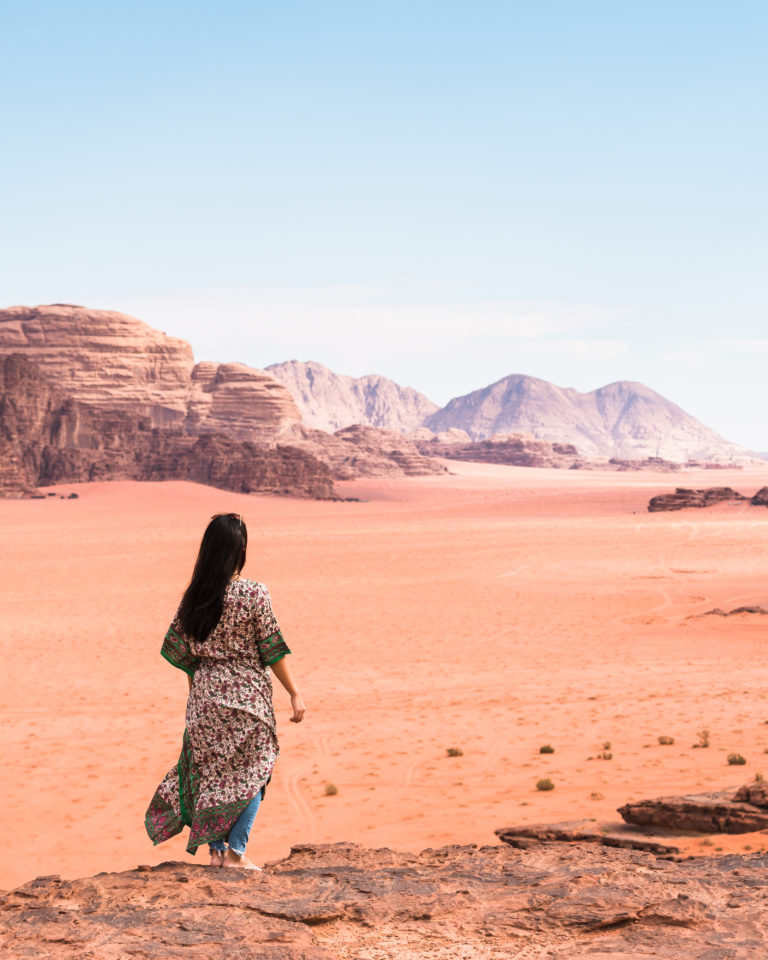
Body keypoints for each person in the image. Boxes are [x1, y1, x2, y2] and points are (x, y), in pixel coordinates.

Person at [144, 512, 305, 870]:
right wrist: (294, 692)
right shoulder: (253, 593)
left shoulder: (194, 598)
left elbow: (181, 653)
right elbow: (272, 648)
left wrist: (199, 701)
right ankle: (236, 851)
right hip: (247, 701)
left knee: (213, 774)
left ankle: (216, 853)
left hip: (204, 700)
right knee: (257, 770)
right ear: (239, 550)